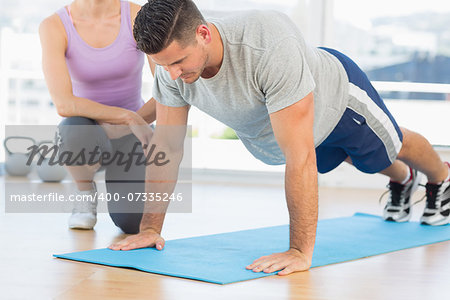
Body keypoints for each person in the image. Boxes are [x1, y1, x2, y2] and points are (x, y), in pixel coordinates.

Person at [110, 0, 450, 276]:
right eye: (162, 65)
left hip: (338, 101)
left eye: (179, 62)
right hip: (295, 126)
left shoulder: (267, 45)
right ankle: (404, 180)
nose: (172, 76)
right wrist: (150, 229)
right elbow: (168, 147)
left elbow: (300, 157)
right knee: (357, 159)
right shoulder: (173, 69)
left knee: (390, 145)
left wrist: (300, 251)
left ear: (203, 34)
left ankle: (441, 178)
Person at [39, 0, 155, 232]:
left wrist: (131, 122)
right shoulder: (54, 26)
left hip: (133, 132)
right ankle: (84, 191)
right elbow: (64, 103)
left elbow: (168, 92)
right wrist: (125, 117)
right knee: (73, 130)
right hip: (87, 132)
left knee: (133, 223)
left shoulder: (138, 16)